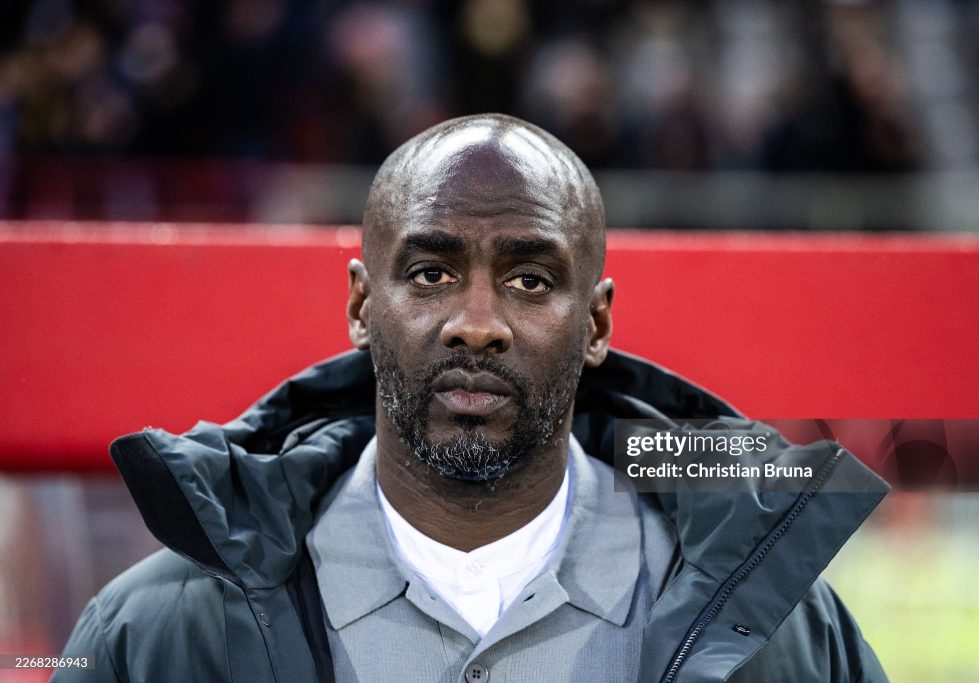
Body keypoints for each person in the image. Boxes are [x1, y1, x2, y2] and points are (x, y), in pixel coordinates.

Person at [59, 114, 889, 682]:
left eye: (530, 279)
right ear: (360, 305)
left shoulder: (781, 634)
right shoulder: (156, 634)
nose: (477, 324)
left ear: (595, 322)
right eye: (431, 273)